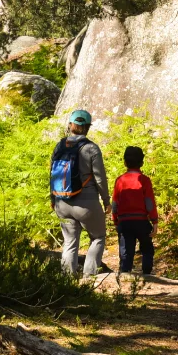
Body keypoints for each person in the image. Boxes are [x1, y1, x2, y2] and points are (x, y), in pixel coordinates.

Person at [50, 109, 109, 277]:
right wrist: (106, 200)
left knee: (69, 242)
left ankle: (67, 281)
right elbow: (99, 178)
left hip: (62, 202)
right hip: (86, 204)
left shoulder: (60, 145)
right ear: (87, 127)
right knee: (98, 237)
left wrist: (52, 197)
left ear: (70, 125)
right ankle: (89, 279)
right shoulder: (91, 148)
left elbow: (52, 173)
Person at [111, 145, 158, 277]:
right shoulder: (145, 180)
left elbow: (115, 203)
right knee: (147, 248)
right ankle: (147, 274)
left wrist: (115, 220)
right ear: (142, 163)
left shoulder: (120, 180)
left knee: (126, 250)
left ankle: (125, 274)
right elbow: (149, 203)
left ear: (125, 162)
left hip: (125, 222)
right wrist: (154, 221)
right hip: (142, 221)